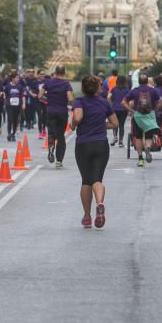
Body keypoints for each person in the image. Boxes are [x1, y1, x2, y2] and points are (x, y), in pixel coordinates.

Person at [71, 75, 118, 229]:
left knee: (86, 181)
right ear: (98, 87)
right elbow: (115, 123)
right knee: (97, 179)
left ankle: (87, 217)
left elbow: (78, 117)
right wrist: (100, 125)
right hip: (101, 145)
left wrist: (74, 124)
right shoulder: (104, 103)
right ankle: (100, 203)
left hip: (83, 145)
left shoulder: (79, 101)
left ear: (83, 88)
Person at [123, 73, 162, 168]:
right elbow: (161, 101)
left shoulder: (134, 91)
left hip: (138, 116)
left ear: (138, 81)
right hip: (150, 116)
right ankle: (148, 149)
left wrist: (131, 110)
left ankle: (140, 158)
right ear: (147, 81)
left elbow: (123, 102)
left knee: (138, 137)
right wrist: (155, 110)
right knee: (149, 136)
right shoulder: (153, 91)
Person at [40, 66, 74, 168]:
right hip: (62, 112)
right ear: (63, 73)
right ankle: (59, 161)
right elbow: (70, 98)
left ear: (55, 72)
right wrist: (67, 102)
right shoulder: (66, 84)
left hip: (50, 111)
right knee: (60, 136)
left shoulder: (48, 82)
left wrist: (48, 99)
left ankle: (51, 147)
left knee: (51, 133)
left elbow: (40, 96)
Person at [107, 74, 129, 147]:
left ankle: (115, 137)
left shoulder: (113, 89)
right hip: (123, 109)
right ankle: (120, 142)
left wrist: (111, 104)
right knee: (121, 125)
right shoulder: (126, 90)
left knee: (114, 124)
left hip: (114, 109)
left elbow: (108, 97)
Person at [4, 71, 26, 142]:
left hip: (18, 106)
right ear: (13, 78)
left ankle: (13, 134)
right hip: (9, 106)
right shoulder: (7, 86)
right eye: (17, 78)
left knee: (15, 120)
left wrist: (23, 104)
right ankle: (9, 133)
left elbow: (22, 96)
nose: (18, 79)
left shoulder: (20, 86)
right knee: (10, 119)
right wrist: (5, 105)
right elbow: (5, 96)